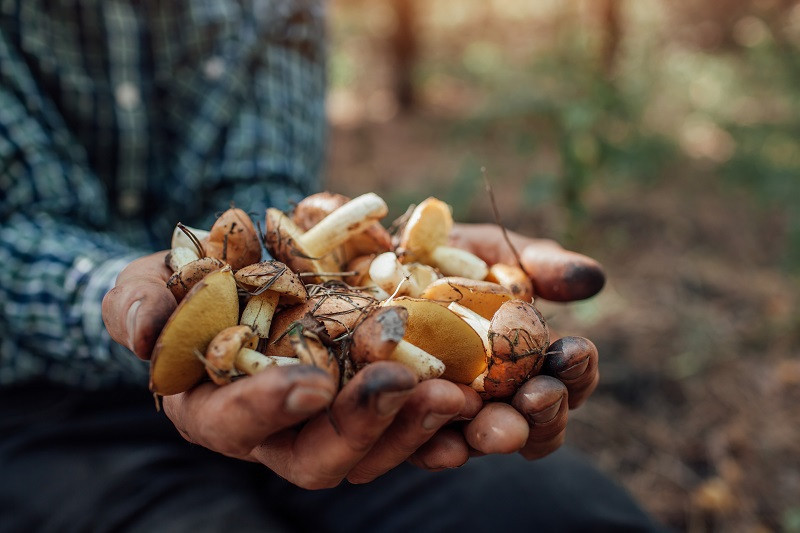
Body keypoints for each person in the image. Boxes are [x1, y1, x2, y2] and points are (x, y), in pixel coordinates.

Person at [0, 2, 665, 532]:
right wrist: (116, 299)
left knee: (570, 516)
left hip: (319, 362)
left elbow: (263, 215)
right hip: (36, 412)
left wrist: (363, 284)